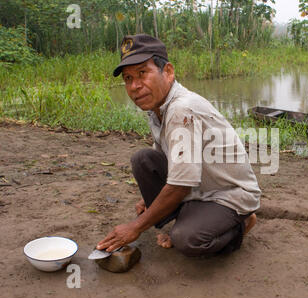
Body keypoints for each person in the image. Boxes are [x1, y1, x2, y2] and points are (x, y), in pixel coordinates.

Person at [96, 34, 261, 257]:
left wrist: (135, 228)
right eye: (127, 78)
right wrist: (148, 199)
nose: (135, 86)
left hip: (228, 193)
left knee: (188, 239)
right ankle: (190, 216)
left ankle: (241, 223)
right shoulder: (157, 105)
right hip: (199, 183)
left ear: (168, 72)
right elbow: (167, 156)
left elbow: (180, 185)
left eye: (143, 73)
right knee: (144, 160)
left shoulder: (181, 109)